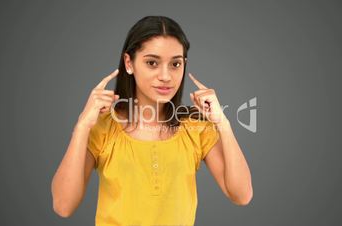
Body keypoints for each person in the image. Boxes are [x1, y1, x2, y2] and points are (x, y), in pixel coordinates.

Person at [51, 15, 253, 226]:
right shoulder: (104, 126)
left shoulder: (195, 127)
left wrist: (223, 123)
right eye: (152, 63)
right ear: (129, 63)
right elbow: (63, 206)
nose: (165, 76)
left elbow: (241, 195)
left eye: (175, 64)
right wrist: (83, 125)